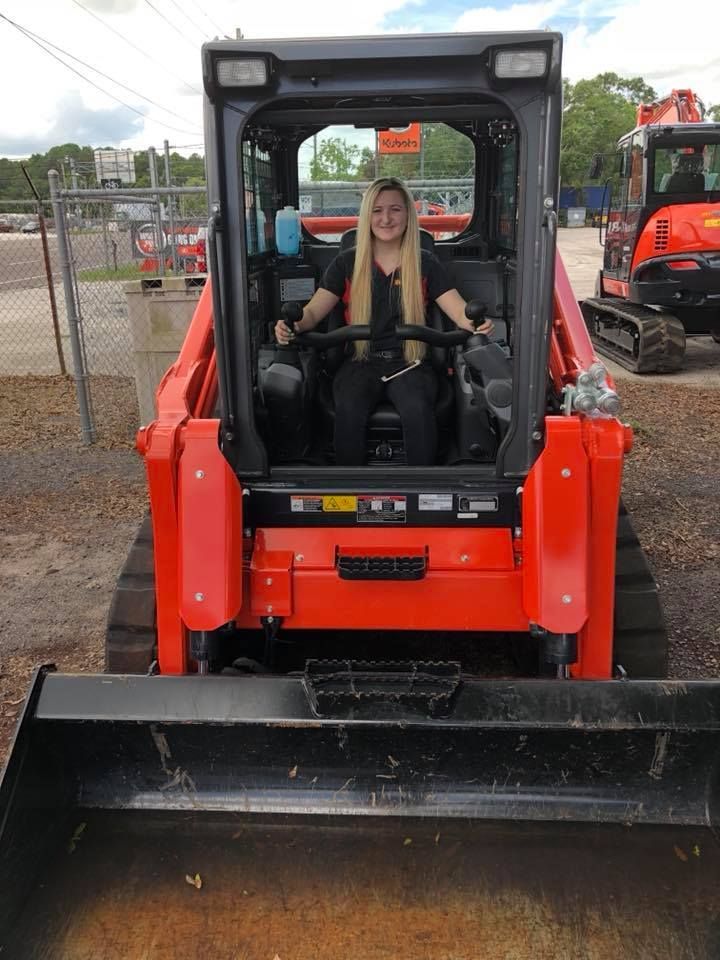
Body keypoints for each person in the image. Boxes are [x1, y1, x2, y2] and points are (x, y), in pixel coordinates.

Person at [274, 177, 494, 465]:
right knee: (350, 407)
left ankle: (421, 491)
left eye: (395, 210)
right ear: (367, 216)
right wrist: (294, 326)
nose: (386, 218)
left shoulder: (425, 262)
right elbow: (313, 312)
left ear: (407, 215)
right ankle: (349, 492)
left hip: (411, 363)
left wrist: (476, 323)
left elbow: (459, 311)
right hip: (360, 361)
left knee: (417, 408)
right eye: (377, 211)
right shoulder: (345, 264)